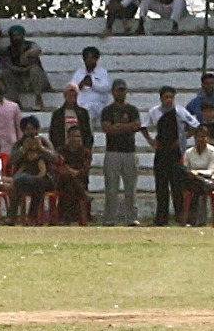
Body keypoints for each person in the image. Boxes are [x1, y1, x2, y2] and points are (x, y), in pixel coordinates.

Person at [142, 85, 201, 226]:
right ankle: (161, 219)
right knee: (161, 186)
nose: (169, 100)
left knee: (177, 187)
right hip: (161, 151)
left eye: (171, 97)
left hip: (175, 153)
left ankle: (180, 218)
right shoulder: (154, 112)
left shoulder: (180, 111)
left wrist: (183, 138)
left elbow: (195, 125)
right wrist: (151, 141)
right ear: (161, 98)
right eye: (166, 97)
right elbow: (143, 127)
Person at [99, 78, 142, 226]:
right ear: (113, 92)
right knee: (111, 188)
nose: (120, 93)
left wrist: (118, 127)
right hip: (112, 151)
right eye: (118, 90)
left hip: (129, 151)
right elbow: (107, 128)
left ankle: (131, 218)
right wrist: (127, 127)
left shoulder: (132, 109)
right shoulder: (107, 110)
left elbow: (137, 125)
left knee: (131, 187)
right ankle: (110, 218)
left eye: (123, 90)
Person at [2, 25, 49, 109]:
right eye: (14, 35)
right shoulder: (7, 51)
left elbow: (38, 50)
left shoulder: (30, 45)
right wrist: (24, 69)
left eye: (18, 35)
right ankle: (16, 101)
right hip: (19, 80)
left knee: (35, 70)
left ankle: (38, 98)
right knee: (5, 73)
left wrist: (26, 54)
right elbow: (9, 66)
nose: (16, 38)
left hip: (35, 80)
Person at [53, 125, 93, 224]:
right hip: (61, 180)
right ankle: (83, 195)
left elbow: (86, 168)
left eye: (78, 136)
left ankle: (65, 217)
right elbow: (55, 167)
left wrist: (76, 172)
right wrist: (67, 171)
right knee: (67, 180)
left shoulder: (85, 152)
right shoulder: (61, 151)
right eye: (73, 136)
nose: (76, 139)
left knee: (69, 186)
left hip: (79, 179)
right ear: (68, 137)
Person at [7, 140, 53, 224]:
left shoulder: (40, 159)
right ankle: (11, 217)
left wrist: (33, 179)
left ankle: (32, 217)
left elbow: (42, 173)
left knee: (38, 186)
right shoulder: (25, 161)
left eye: (33, 153)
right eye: (29, 154)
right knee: (18, 185)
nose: (31, 156)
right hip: (27, 182)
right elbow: (19, 171)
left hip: (40, 181)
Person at [69, 46, 111, 124]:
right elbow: (71, 88)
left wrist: (92, 85)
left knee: (87, 112)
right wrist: (80, 85)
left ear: (96, 59)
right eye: (87, 58)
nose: (89, 60)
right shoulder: (79, 72)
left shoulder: (102, 72)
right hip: (80, 103)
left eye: (92, 58)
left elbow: (106, 88)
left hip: (96, 104)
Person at [49, 83, 93, 151]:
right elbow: (53, 133)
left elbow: (87, 133)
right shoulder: (57, 114)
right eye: (70, 96)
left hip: (80, 150)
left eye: (74, 96)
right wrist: (58, 147)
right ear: (65, 96)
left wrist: (87, 148)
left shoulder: (83, 113)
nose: (72, 98)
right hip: (63, 149)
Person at [185, 127, 214, 224]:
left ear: (207, 138)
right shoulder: (189, 152)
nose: (200, 139)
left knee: (199, 187)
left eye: (203, 137)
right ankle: (196, 219)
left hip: (209, 180)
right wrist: (191, 173)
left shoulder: (212, 152)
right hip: (193, 180)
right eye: (198, 137)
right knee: (196, 186)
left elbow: (211, 171)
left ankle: (194, 220)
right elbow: (185, 169)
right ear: (194, 138)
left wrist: (197, 172)